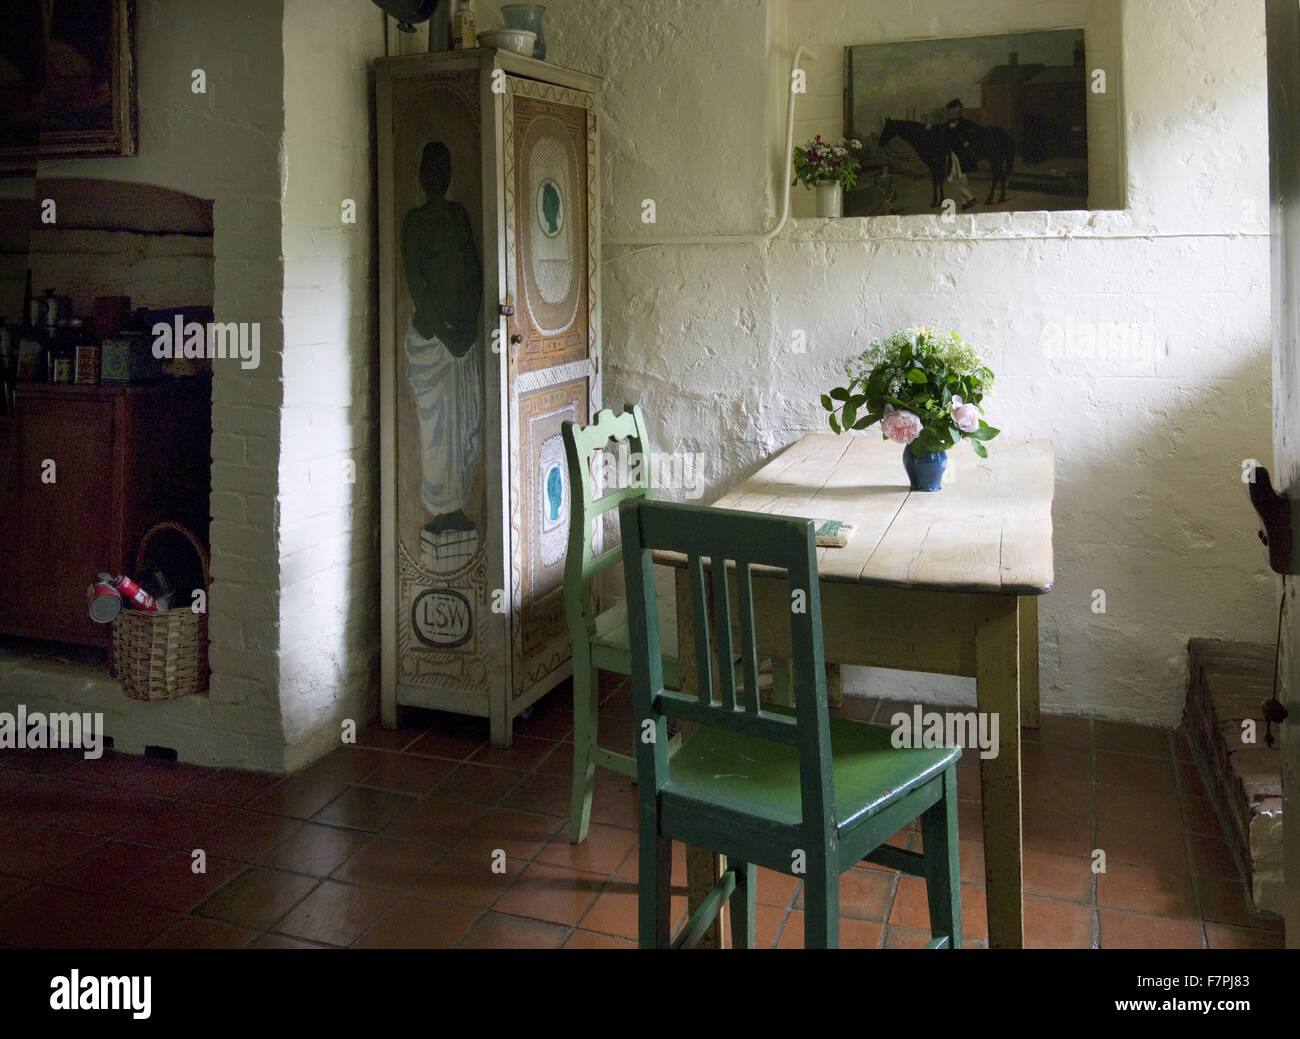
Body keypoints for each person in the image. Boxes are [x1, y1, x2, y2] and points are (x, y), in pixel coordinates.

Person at [401, 140, 483, 541]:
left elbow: (474, 274)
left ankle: (458, 506)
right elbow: (417, 283)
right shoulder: (413, 223)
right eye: (431, 169)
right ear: (422, 176)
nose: (437, 176)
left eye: (442, 169)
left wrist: (465, 327)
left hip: (461, 340)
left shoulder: (459, 217)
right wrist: (445, 331)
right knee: (435, 429)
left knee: (463, 424)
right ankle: (439, 508)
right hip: (432, 340)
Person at [942, 98, 980, 211]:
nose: (955, 111)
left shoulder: (965, 122)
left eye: (957, 109)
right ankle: (967, 201)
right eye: (952, 109)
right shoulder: (948, 124)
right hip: (953, 153)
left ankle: (968, 199)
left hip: (962, 154)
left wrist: (969, 141)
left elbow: (977, 131)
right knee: (955, 178)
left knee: (958, 178)